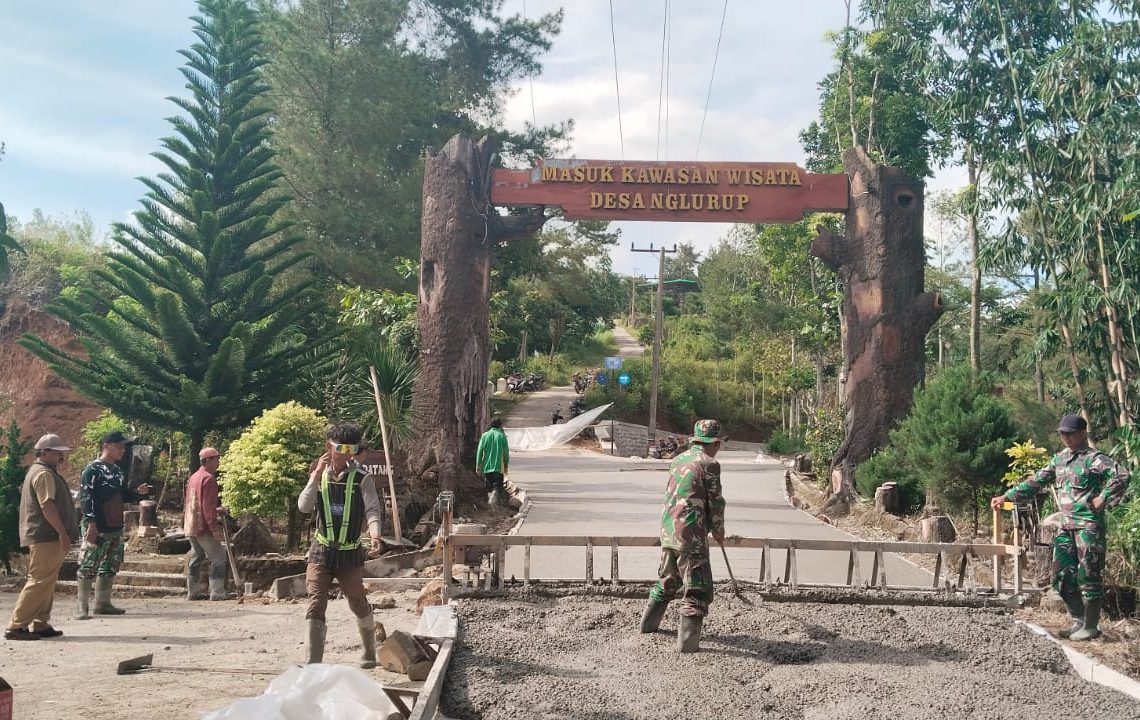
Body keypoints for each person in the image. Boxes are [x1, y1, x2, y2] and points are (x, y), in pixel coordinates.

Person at [991, 414, 1130, 641]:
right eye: (1062, 433)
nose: (1065, 437)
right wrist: (1007, 496)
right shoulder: (1060, 459)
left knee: (1088, 576)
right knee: (1061, 577)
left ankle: (1092, 626)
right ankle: (1079, 620)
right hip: (1066, 527)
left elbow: (1122, 475)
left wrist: (1104, 497)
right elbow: (1036, 481)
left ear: (1082, 433)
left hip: (1088, 527)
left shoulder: (1094, 459)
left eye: (1070, 433)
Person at [297, 423, 383, 667]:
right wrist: (314, 478)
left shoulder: (361, 478)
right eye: (340, 447)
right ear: (329, 447)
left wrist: (375, 534)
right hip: (321, 551)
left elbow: (373, 510)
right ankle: (313, 664)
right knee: (316, 601)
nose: (346, 453)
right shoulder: (319, 473)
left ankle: (369, 651)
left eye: (351, 449)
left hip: (349, 553)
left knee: (357, 601)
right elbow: (304, 506)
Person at [640, 419, 726, 652]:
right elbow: (715, 502)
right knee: (698, 588)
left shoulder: (678, 460)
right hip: (691, 533)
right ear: (716, 442)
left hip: (669, 529)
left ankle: (647, 627)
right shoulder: (710, 464)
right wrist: (718, 530)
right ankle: (688, 645)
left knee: (669, 579)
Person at [5, 434, 75, 641]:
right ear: (44, 453)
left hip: (45, 535)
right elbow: (47, 505)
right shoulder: (44, 474)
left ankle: (40, 622)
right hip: (47, 535)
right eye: (57, 452)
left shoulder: (39, 472)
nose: (61, 456)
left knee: (46, 580)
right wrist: (62, 532)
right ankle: (16, 625)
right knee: (39, 579)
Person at [76, 430, 150, 618]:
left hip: (115, 524)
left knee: (110, 565)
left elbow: (121, 494)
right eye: (119, 446)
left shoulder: (117, 471)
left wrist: (136, 493)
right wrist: (91, 523)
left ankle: (103, 602)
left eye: (124, 446)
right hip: (97, 524)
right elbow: (86, 497)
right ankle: (82, 606)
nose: (122, 450)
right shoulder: (92, 470)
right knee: (87, 564)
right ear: (106, 446)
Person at [183, 447, 230, 601]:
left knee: (197, 556)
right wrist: (214, 529)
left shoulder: (195, 477)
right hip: (202, 526)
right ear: (208, 460)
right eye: (216, 459)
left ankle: (193, 591)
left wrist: (216, 510)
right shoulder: (209, 479)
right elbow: (207, 508)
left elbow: (196, 502)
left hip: (190, 525)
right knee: (219, 557)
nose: (218, 462)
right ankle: (217, 592)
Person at [476, 417, 510, 506]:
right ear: (500, 426)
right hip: (498, 467)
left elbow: (479, 451)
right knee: (497, 487)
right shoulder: (502, 436)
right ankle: (496, 503)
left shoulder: (485, 435)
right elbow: (506, 453)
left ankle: (490, 504)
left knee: (489, 488)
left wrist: (478, 464)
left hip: (487, 467)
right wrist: (506, 465)